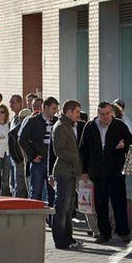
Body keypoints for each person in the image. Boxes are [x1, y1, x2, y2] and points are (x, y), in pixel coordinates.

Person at [80, 101, 132, 244]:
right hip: (97, 172)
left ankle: (123, 232)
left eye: (108, 114)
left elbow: (131, 144)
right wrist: (84, 171)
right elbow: (83, 150)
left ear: (112, 112)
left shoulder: (120, 126)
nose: (105, 117)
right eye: (102, 114)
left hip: (115, 171)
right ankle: (104, 233)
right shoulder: (90, 127)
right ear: (98, 114)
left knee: (119, 203)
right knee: (100, 205)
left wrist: (124, 145)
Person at [51, 100, 83, 249]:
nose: (79, 115)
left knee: (69, 207)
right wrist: (75, 157)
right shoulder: (61, 127)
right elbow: (59, 151)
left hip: (70, 172)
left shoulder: (68, 126)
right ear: (68, 112)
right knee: (62, 207)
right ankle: (60, 240)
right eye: (77, 112)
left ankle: (68, 238)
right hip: (63, 172)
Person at [19, 97, 59, 200]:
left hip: (52, 163)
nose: (55, 111)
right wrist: (32, 155)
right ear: (45, 107)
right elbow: (22, 139)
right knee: (36, 192)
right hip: (39, 162)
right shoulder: (33, 121)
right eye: (53, 108)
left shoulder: (56, 121)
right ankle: (34, 215)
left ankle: (50, 216)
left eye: (56, 109)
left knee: (52, 193)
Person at [9, 94, 25, 196]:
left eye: (13, 103)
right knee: (15, 180)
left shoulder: (23, 118)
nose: (11, 105)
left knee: (20, 182)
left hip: (20, 156)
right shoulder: (14, 118)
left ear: (20, 103)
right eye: (10, 103)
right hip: (13, 155)